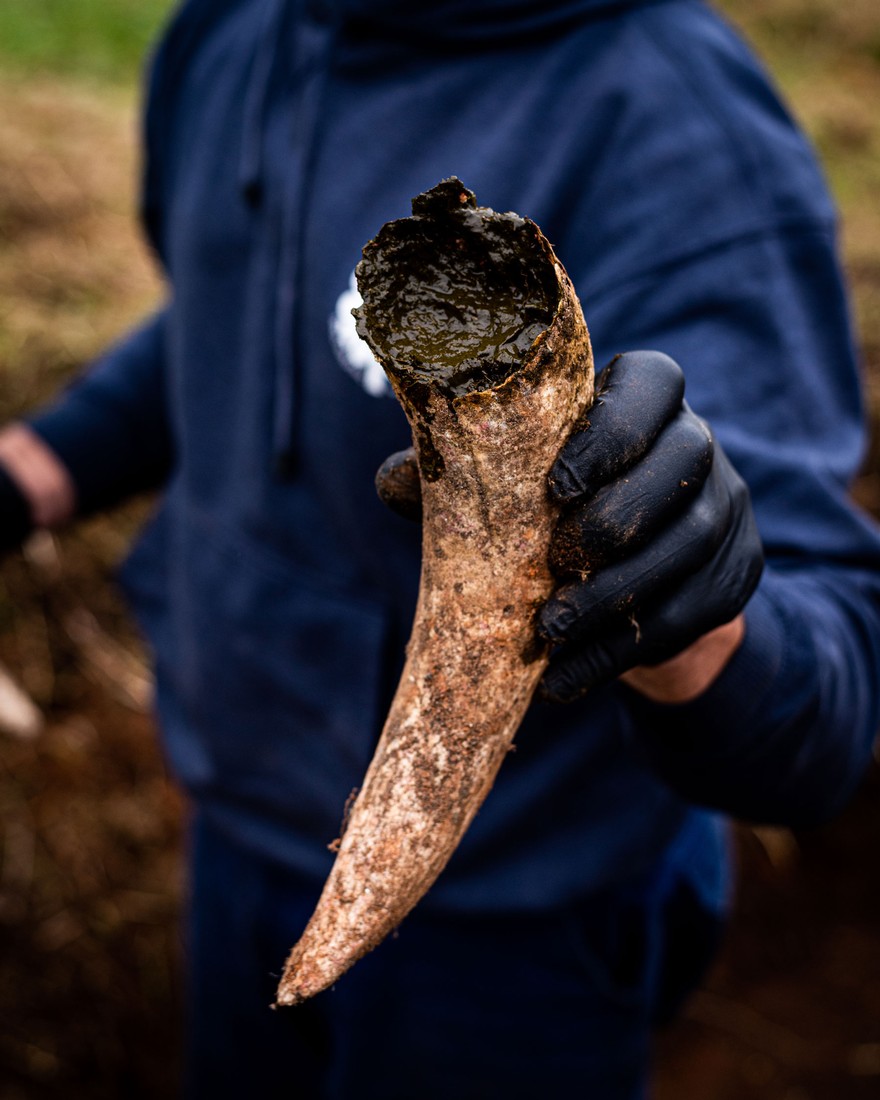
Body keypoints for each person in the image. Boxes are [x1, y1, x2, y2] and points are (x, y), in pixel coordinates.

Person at [2, 0, 879, 1095]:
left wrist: (695, 613)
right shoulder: (228, 34)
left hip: (514, 919)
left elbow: (822, 722)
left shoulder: (678, 126)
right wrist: (37, 466)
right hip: (236, 811)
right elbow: (225, 310)